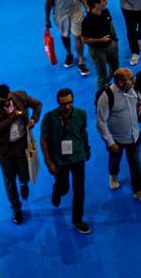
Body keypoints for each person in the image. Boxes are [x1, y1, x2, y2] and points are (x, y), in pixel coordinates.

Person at [0, 84, 42, 224]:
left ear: (10, 94)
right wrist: (14, 115)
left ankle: (24, 183)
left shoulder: (20, 95)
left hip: (22, 145)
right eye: (2, 101)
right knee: (9, 181)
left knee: (25, 175)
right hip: (3, 149)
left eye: (7, 99)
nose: (5, 102)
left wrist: (34, 119)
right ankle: (16, 209)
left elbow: (37, 104)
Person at [39, 88, 91, 234]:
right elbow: (43, 140)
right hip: (59, 160)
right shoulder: (49, 117)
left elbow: (83, 132)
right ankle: (57, 191)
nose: (67, 106)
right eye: (63, 104)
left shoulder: (81, 114)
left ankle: (77, 220)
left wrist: (87, 149)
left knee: (79, 189)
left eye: (70, 103)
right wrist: (48, 162)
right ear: (58, 103)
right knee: (64, 188)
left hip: (78, 157)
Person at [96, 68, 141, 203]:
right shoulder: (107, 96)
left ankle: (138, 191)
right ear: (120, 82)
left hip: (135, 137)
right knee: (115, 161)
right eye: (130, 79)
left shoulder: (133, 88)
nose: (133, 81)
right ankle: (113, 175)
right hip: (117, 140)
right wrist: (110, 142)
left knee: (135, 165)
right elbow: (101, 122)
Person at [46, 0, 87, 73]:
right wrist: (47, 18)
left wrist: (87, 6)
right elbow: (49, 0)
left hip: (76, 10)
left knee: (77, 35)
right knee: (65, 35)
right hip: (60, 14)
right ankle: (69, 54)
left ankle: (81, 61)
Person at [81, 0, 120, 94]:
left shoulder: (106, 11)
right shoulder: (88, 20)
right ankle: (100, 96)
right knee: (102, 75)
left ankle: (107, 85)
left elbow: (110, 24)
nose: (105, 1)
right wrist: (99, 40)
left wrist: (115, 40)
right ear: (96, 4)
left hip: (111, 46)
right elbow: (84, 40)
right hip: (98, 51)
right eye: (103, 1)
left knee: (116, 69)